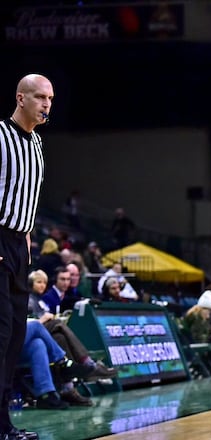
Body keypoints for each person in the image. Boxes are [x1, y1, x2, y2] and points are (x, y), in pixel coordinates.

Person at [0, 73, 53, 440]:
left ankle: (4, 424)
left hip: (20, 246)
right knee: (2, 333)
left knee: (16, 333)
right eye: (39, 97)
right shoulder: (0, 136)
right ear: (21, 98)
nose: (46, 104)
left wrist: (28, 232)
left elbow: (25, 195)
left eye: (50, 98)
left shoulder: (36, 144)